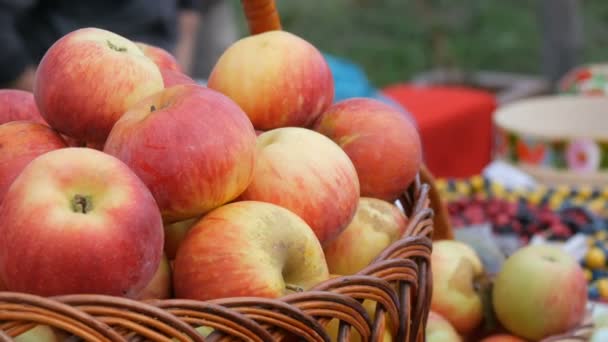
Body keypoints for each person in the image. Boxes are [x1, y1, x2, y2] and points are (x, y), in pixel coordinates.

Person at [0, 0, 205, 91]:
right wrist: (43, 99)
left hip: (155, 94)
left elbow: (188, 14)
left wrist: (179, 85)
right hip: (73, 95)